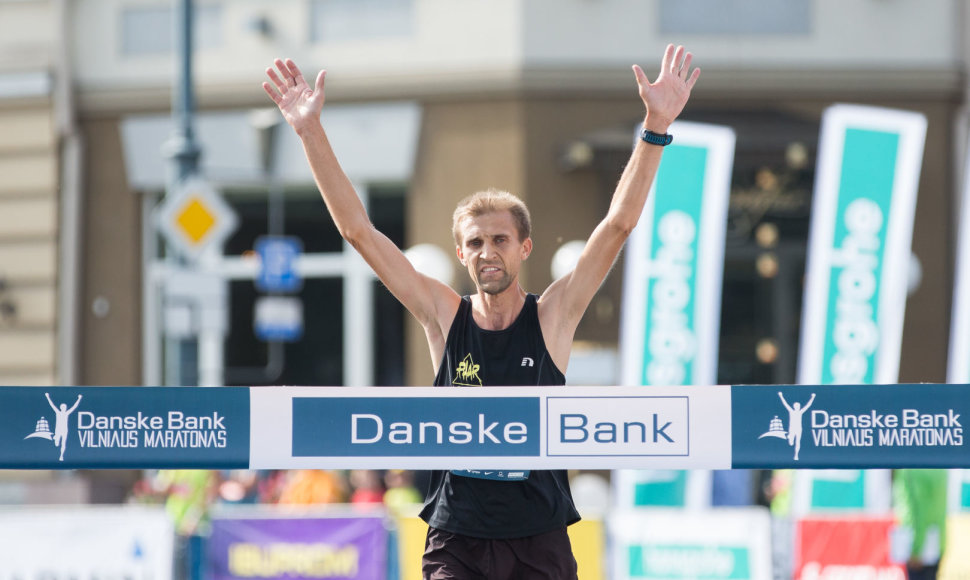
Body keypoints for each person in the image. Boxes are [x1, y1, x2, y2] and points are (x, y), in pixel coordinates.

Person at [263, 43, 700, 579]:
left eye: (499, 240)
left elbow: (617, 226)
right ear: (461, 252)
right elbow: (359, 231)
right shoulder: (444, 315)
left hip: (538, 536)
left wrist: (655, 127)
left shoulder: (553, 316)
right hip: (458, 538)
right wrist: (310, 132)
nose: (487, 252)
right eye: (474, 243)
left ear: (525, 248)